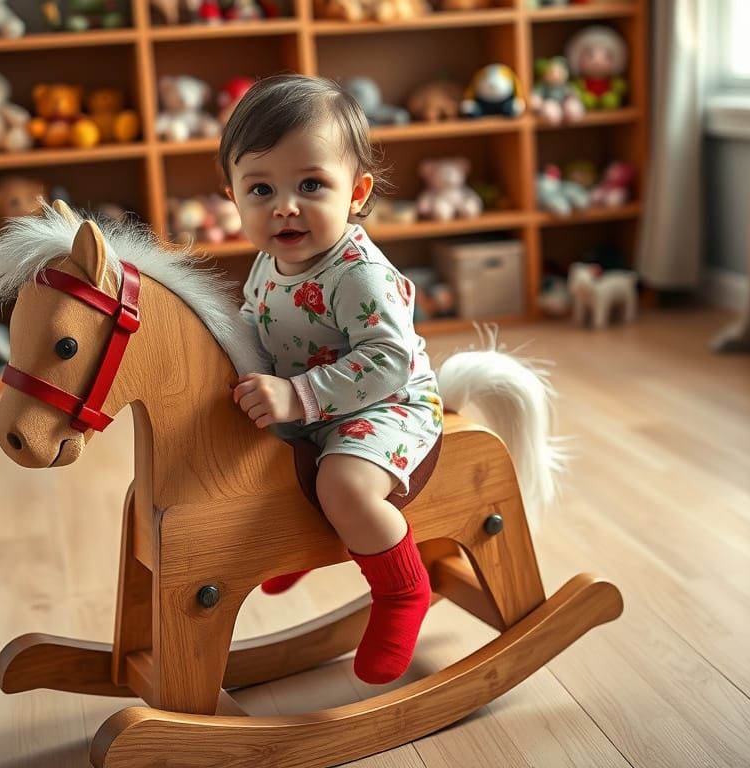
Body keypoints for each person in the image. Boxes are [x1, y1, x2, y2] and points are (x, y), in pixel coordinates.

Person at [222, 74, 444, 685]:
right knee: (247, 452)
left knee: (344, 484)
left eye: (311, 184)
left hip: (389, 405)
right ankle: (302, 541)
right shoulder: (269, 261)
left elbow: (389, 359)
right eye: (260, 188)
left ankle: (402, 590)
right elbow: (253, 320)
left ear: (356, 192)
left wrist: (295, 395)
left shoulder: (358, 273)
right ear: (233, 198)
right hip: (318, 409)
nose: (284, 206)